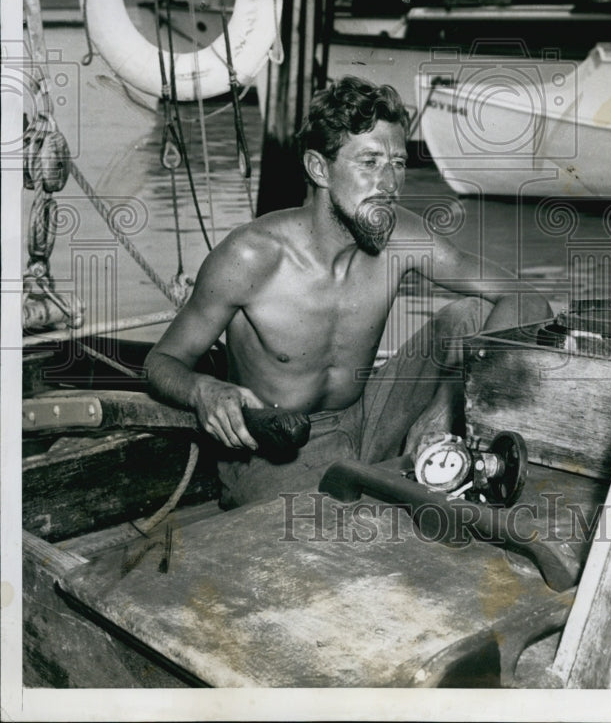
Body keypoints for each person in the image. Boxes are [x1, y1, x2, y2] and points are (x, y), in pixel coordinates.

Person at [146, 76, 551, 507]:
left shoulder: (403, 237)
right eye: (370, 162)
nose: (390, 184)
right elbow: (161, 362)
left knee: (471, 314)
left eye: (398, 164)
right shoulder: (249, 257)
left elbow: (526, 298)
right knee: (334, 549)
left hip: (366, 418)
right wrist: (204, 390)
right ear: (320, 169)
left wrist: (450, 399)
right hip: (277, 452)